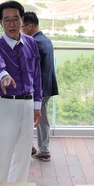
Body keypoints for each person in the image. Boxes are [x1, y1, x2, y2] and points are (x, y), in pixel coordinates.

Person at [0, 1, 42, 182]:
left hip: (28, 104)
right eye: (7, 20)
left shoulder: (31, 43)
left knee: (24, 154)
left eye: (15, 19)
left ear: (22, 20)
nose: (11, 24)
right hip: (7, 104)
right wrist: (4, 75)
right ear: (1, 23)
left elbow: (37, 75)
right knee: (2, 155)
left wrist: (37, 105)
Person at [22, 12, 58, 162]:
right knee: (41, 119)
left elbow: (30, 69)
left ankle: (33, 148)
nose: (20, 30)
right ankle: (42, 150)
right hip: (48, 87)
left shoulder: (34, 43)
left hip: (39, 89)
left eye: (22, 26)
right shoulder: (46, 40)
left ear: (30, 26)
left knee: (27, 117)